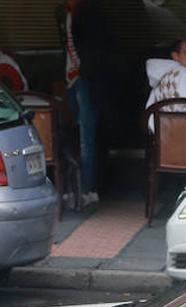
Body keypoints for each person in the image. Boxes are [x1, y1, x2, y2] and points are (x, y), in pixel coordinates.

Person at [56, 0, 108, 206]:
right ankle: (75, 188)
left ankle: (88, 188)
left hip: (87, 78)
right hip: (74, 77)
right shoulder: (63, 13)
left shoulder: (90, 13)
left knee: (87, 136)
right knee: (74, 131)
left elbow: (96, 49)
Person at [145, 38, 186, 132]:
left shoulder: (165, 76)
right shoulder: (184, 74)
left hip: (163, 136)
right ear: (175, 56)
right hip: (185, 137)